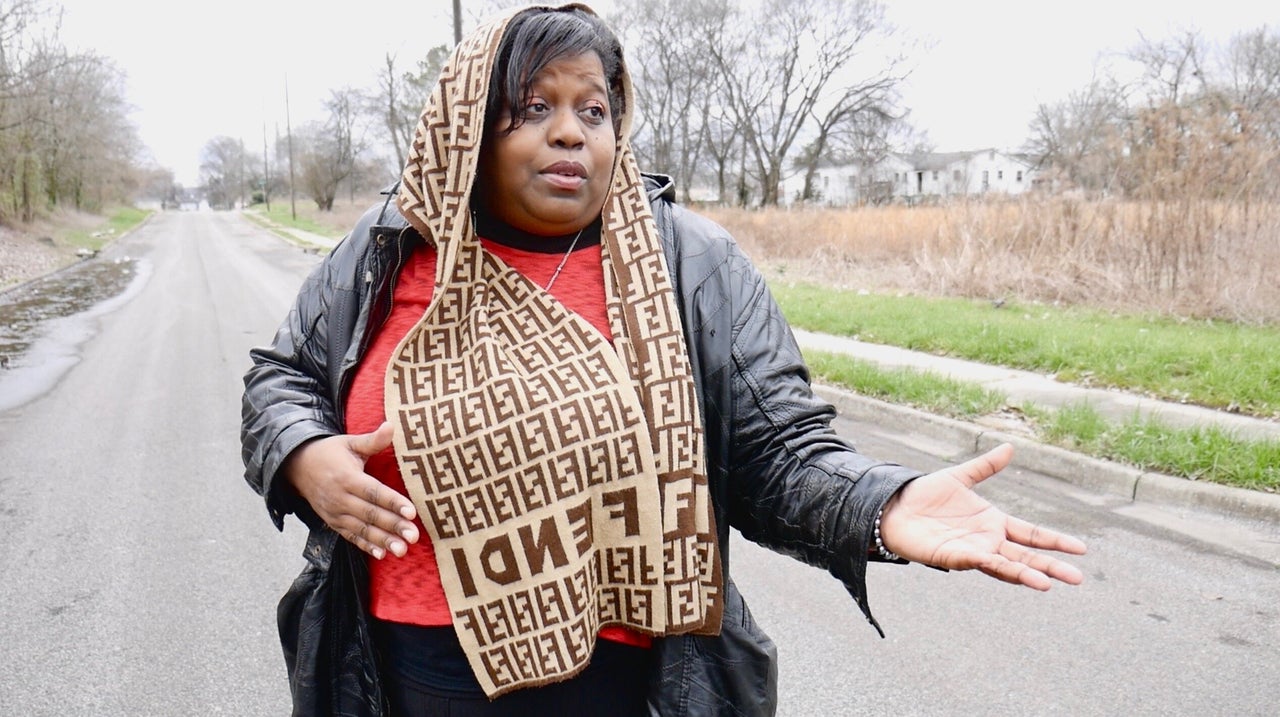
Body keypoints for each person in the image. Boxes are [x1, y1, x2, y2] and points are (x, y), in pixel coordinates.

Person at [240, 4, 1087, 716]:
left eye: (595, 109)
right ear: (468, 127)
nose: (571, 130)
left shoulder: (691, 265)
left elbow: (781, 453)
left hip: (631, 681)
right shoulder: (390, 246)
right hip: (409, 669)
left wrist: (882, 504)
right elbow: (281, 380)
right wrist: (304, 455)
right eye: (533, 107)